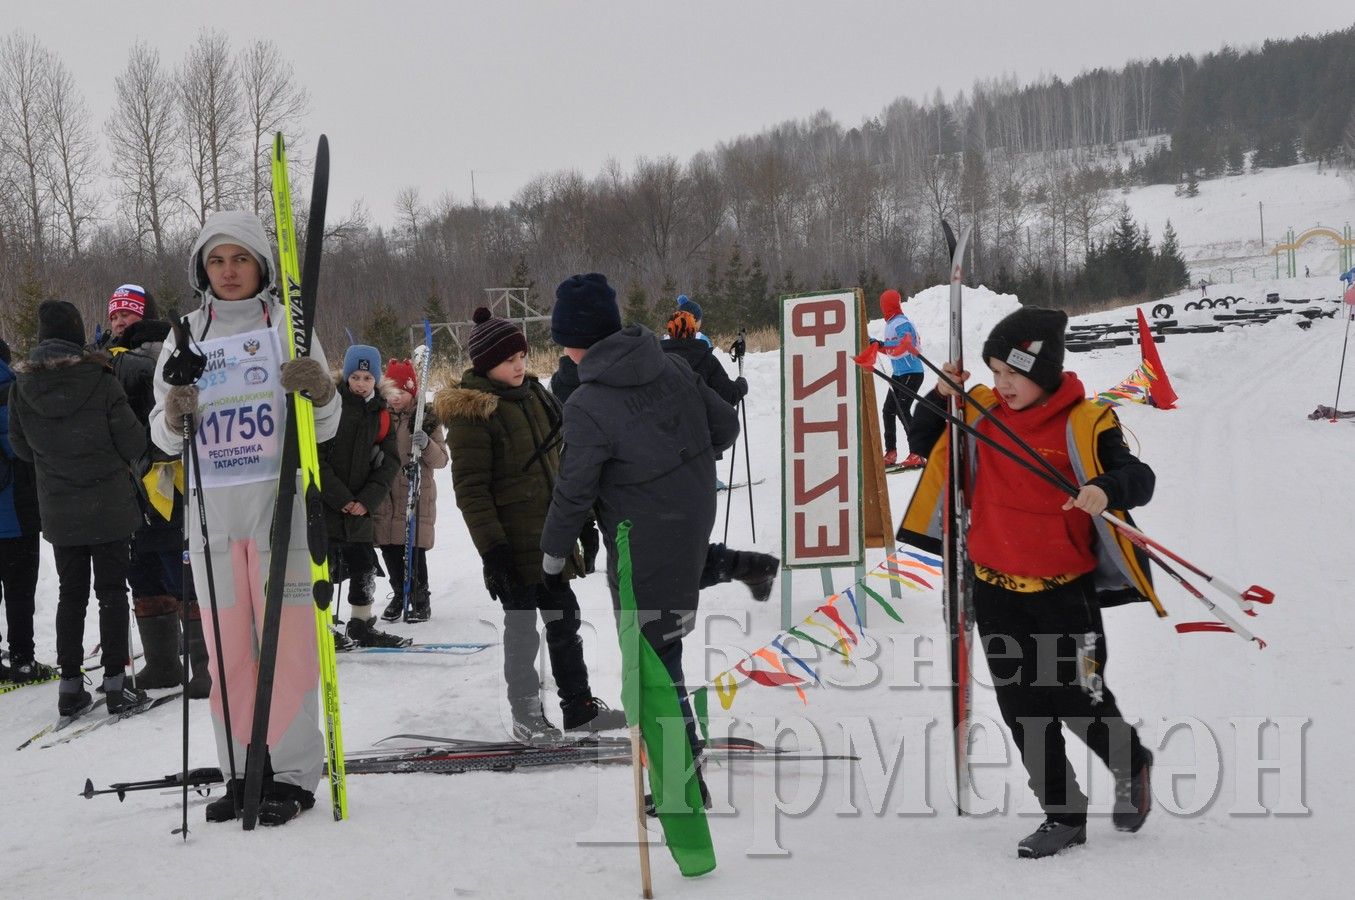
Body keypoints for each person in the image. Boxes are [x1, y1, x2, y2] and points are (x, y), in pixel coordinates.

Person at [899, 306, 1158, 859]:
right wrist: (944, 396)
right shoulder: (981, 411)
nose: (1002, 384)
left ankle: (1131, 762)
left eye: (1013, 373)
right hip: (995, 590)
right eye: (995, 371)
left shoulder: (1086, 421)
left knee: (1078, 700)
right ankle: (1063, 814)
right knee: (1023, 710)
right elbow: (924, 440)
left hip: (1065, 594)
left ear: (1043, 373)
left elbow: (1140, 478)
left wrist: (1107, 489)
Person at [149, 210, 341, 826]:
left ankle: (289, 773)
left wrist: (322, 390)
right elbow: (163, 434)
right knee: (228, 652)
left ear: (260, 264)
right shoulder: (184, 336)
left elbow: (327, 425)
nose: (229, 272)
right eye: (216, 260)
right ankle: (240, 768)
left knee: (285, 650)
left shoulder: (290, 327)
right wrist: (176, 413)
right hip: (212, 523)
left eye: (240, 259)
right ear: (202, 269)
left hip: (278, 514)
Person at [540, 274, 740, 767]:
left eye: (565, 342)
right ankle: (680, 766)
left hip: (642, 540)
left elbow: (574, 490)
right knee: (663, 649)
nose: (563, 353)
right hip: (692, 518)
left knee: (651, 662)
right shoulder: (670, 366)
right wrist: (681, 465)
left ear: (577, 340)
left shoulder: (587, 404)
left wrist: (550, 556)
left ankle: (681, 781)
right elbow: (724, 425)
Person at [437, 306, 626, 741]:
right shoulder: (474, 413)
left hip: (551, 539)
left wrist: (582, 524)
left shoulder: (538, 396)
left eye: (521, 354)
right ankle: (525, 714)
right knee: (522, 629)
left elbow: (563, 466)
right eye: (509, 360)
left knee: (565, 622)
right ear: (487, 366)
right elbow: (471, 491)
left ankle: (579, 708)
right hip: (510, 544)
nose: (520, 364)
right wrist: (494, 553)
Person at [8, 301, 148, 717]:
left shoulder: (22, 388)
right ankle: (116, 685)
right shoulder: (101, 379)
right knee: (111, 594)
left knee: (71, 595)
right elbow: (134, 443)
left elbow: (20, 448)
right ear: (76, 332)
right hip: (109, 506)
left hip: (60, 510)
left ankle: (69, 687)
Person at [100, 284, 210, 697]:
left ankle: (206, 665)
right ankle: (163, 663)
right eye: (114, 315)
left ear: (142, 314)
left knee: (179, 566)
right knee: (142, 571)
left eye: (126, 313)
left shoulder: (156, 349)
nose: (119, 320)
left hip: (166, 475)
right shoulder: (112, 356)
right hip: (128, 481)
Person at [657, 310, 779, 601]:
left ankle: (687, 567)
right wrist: (741, 387)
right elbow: (726, 396)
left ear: (670, 332)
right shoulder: (705, 360)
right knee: (693, 514)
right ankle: (723, 564)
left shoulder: (657, 363)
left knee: (667, 519)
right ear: (694, 331)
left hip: (662, 452)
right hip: (700, 449)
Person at [318, 344, 404, 648]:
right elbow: (315, 457)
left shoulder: (380, 412)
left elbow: (391, 461)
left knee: (364, 564)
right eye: (355, 376)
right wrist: (340, 498)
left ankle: (361, 623)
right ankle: (322, 626)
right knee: (322, 567)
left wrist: (366, 500)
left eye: (367, 377)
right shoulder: (329, 405)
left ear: (376, 379)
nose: (361, 383)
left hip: (361, 506)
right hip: (328, 504)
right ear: (346, 376)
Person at [373, 357, 448, 624]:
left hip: (414, 493)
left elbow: (441, 460)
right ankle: (398, 593)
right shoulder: (379, 416)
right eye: (391, 392)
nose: (395, 398)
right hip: (385, 497)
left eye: (401, 393)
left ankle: (419, 597)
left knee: (412, 549)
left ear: (412, 391)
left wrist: (426, 443)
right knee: (390, 549)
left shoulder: (426, 417)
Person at [0, 338, 50, 684]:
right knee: (19, 588)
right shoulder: (9, 387)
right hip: (13, 511)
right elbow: (18, 446)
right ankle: (22, 660)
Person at [877, 289, 926, 469]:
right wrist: (876, 345)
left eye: (884, 305)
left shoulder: (901, 322)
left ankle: (918, 453)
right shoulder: (890, 324)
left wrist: (882, 345)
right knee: (888, 409)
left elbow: (905, 344)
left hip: (912, 372)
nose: (883, 309)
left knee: (902, 408)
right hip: (899, 373)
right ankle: (891, 452)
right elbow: (891, 348)